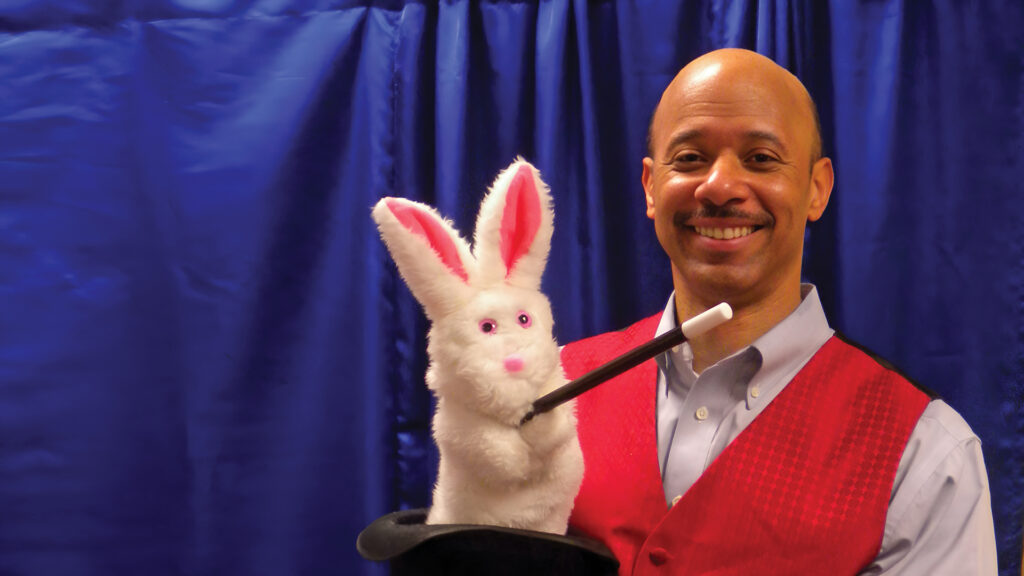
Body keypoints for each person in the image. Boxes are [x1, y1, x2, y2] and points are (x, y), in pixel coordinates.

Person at [560, 48, 997, 575]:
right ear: (651, 187)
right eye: (690, 158)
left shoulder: (925, 455)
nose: (719, 187)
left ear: (817, 189)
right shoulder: (551, 388)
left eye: (761, 159)